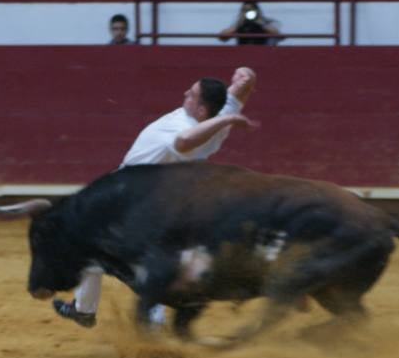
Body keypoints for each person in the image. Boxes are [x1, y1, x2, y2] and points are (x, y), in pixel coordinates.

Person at [51, 67, 259, 328]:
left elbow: (185, 141)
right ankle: (91, 310)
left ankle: (120, 316)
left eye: (191, 94)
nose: (185, 94)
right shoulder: (217, 115)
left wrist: (227, 119)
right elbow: (241, 89)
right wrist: (246, 76)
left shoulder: (187, 128)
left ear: (201, 110)